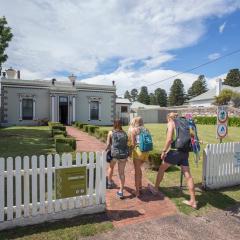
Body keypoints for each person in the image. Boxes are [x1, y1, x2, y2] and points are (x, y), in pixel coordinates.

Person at [148, 112, 197, 209]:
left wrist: (164, 150)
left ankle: (155, 189)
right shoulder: (185, 122)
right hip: (185, 151)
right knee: (188, 175)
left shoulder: (171, 123)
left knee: (161, 168)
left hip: (175, 151)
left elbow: (169, 139)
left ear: (169, 118)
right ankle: (193, 201)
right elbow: (192, 135)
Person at [106, 119, 128, 199]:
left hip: (114, 155)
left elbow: (108, 144)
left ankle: (109, 183)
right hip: (123, 155)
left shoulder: (111, 132)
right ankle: (121, 191)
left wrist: (106, 150)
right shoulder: (125, 133)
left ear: (114, 124)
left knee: (111, 167)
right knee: (121, 173)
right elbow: (126, 144)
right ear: (121, 124)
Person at [131, 117, 150, 197]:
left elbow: (133, 143)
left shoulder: (134, 130)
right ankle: (140, 187)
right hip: (146, 151)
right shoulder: (146, 129)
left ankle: (137, 192)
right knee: (139, 169)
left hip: (138, 151)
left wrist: (130, 151)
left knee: (136, 172)